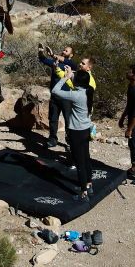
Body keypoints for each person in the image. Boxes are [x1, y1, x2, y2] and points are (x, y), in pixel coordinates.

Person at [52, 65, 94, 201]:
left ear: (77, 81)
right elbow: (79, 83)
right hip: (86, 129)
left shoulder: (75, 95)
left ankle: (83, 193)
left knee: (79, 162)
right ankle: (89, 184)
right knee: (86, 157)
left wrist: (65, 77)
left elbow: (55, 90)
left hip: (76, 131)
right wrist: (72, 73)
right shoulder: (89, 90)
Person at [39, 45, 76, 148]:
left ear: (71, 55)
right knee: (53, 119)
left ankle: (70, 141)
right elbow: (43, 60)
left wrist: (52, 55)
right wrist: (41, 52)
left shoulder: (71, 64)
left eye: (66, 51)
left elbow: (68, 62)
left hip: (67, 97)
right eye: (63, 50)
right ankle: (52, 139)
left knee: (68, 120)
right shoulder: (56, 63)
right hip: (55, 96)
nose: (63, 51)